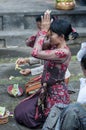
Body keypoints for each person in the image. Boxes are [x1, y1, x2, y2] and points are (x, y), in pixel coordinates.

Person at [14, 10, 78, 129]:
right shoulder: (54, 45)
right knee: (20, 111)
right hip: (46, 89)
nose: (48, 35)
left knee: (27, 117)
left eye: (51, 33)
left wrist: (43, 31)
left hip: (56, 95)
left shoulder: (63, 52)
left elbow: (35, 52)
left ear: (61, 37)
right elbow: (29, 43)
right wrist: (42, 29)